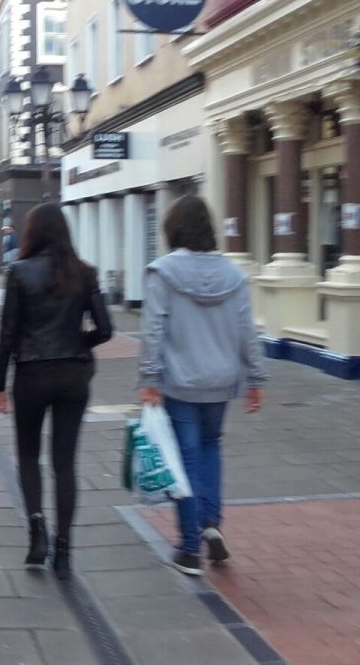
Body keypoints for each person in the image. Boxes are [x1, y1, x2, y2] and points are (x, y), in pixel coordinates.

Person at [137, 195, 267, 577]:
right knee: (211, 447)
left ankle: (190, 550)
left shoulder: (162, 272)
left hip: (180, 381)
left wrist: (148, 378)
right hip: (221, 380)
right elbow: (247, 329)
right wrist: (255, 378)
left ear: (173, 228)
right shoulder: (234, 275)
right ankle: (211, 522)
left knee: (186, 459)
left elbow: (153, 328)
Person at [0, 204, 112, 578]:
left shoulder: (19, 273)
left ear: (32, 233)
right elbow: (106, 329)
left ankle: (37, 532)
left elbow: (8, 333)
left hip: (31, 374)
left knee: (28, 456)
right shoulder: (85, 272)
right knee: (65, 463)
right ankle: (64, 551)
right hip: (73, 375)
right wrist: (79, 342)